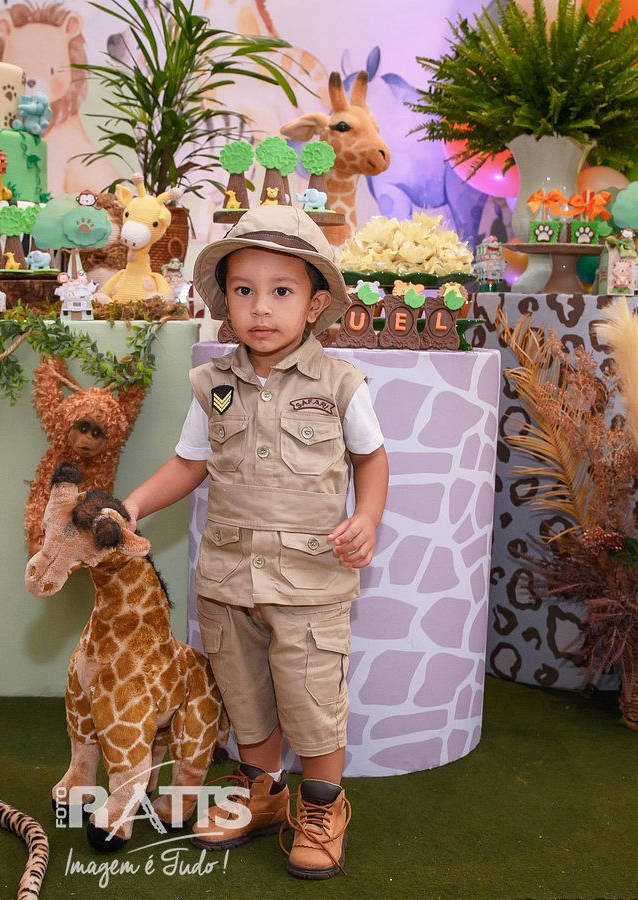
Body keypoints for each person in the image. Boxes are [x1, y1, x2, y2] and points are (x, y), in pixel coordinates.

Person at [122, 205, 388, 879]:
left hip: (311, 581)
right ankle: (260, 793)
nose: (260, 307)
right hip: (228, 577)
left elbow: (371, 458)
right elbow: (189, 463)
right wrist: (134, 504)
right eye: (243, 290)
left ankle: (322, 806)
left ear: (314, 303)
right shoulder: (211, 386)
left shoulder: (340, 384)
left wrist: (367, 516)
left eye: (281, 291)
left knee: (311, 698)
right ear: (225, 300)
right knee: (243, 695)